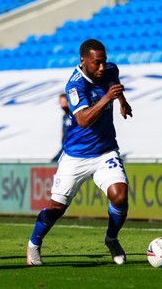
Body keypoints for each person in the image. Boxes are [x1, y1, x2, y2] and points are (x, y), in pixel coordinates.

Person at [27, 39, 133, 266]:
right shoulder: (75, 86)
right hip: (76, 156)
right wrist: (107, 99)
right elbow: (83, 120)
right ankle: (34, 243)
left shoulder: (110, 70)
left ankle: (111, 238)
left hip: (105, 151)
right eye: (97, 63)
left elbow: (114, 81)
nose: (102, 68)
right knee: (57, 208)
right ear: (83, 61)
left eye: (104, 62)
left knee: (120, 196)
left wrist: (123, 101)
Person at [51, 93, 71, 162]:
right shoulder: (64, 117)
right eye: (62, 103)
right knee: (53, 162)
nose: (63, 105)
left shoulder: (73, 116)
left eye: (65, 102)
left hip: (71, 148)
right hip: (64, 147)